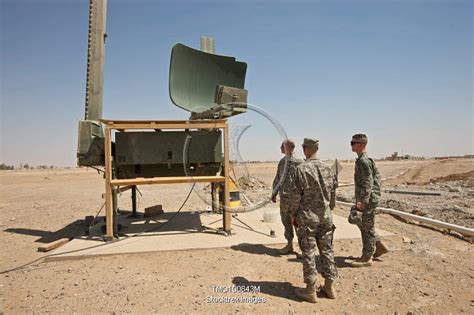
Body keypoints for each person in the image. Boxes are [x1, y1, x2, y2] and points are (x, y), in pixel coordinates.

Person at [290, 138, 338, 303]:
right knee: (327, 250)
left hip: (307, 217)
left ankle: (310, 290)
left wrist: (293, 214)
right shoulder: (328, 169)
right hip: (325, 216)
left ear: (305, 149)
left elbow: (295, 197)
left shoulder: (301, 169)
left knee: (309, 252)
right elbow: (332, 198)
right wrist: (327, 209)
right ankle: (329, 286)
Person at [348, 134, 389, 268]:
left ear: (360, 144)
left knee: (366, 227)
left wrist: (363, 200)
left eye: (353, 143)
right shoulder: (362, 159)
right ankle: (378, 246)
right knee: (366, 225)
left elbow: (368, 182)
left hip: (368, 199)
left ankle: (367, 257)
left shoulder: (363, 161)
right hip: (369, 198)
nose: (351, 145)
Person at [271, 139, 303, 254]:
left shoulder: (299, 163)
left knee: (298, 224)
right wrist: (274, 192)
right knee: (286, 222)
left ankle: (302, 248)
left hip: (295, 200)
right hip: (284, 199)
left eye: (282, 146)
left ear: (289, 147)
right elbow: (278, 178)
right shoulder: (282, 162)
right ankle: (289, 245)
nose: (280, 148)